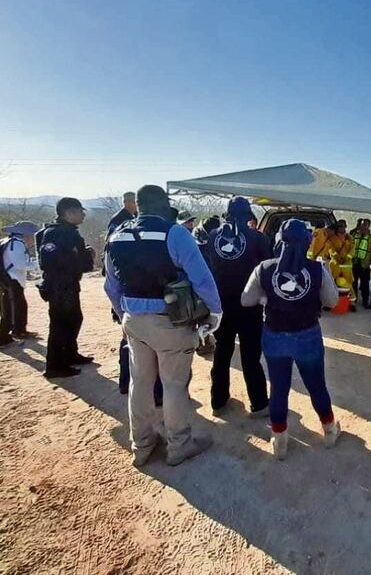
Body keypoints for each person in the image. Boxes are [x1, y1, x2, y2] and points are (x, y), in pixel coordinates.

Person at [105, 185, 223, 467]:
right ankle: (179, 445)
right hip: (171, 322)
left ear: (139, 205)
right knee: (173, 385)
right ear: (163, 205)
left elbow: (110, 284)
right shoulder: (175, 233)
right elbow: (202, 279)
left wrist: (123, 314)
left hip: (134, 321)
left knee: (141, 383)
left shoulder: (117, 234)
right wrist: (215, 313)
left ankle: (142, 445)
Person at [241, 219, 341, 459]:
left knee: (279, 389)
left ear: (280, 240)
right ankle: (329, 431)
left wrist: (266, 298)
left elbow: (246, 300)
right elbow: (333, 301)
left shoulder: (264, 268)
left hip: (274, 336)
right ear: (308, 242)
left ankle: (280, 441)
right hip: (308, 336)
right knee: (316, 386)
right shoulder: (317, 269)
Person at [204, 197, 272, 416]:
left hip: (221, 304)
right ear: (248, 214)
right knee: (250, 355)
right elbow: (268, 270)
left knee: (222, 353)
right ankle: (259, 403)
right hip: (249, 305)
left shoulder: (213, 237)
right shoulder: (258, 238)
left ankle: (218, 400)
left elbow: (207, 269)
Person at [36, 198, 95, 378]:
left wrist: (82, 255)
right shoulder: (56, 233)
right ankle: (55, 365)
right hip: (60, 285)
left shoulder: (68, 232)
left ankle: (70, 354)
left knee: (74, 319)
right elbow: (48, 261)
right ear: (69, 213)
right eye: (80, 211)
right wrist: (80, 256)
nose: (83, 214)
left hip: (68, 283)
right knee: (60, 324)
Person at [0, 221, 40, 349]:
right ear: (25, 234)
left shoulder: (10, 242)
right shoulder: (17, 244)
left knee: (15, 306)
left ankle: (18, 331)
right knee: (13, 308)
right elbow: (20, 265)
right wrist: (38, 264)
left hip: (8, 278)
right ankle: (4, 337)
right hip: (13, 279)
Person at [351, 218, 371, 309]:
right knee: (353, 283)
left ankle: (365, 301)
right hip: (354, 263)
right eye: (362, 224)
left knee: (364, 285)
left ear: (368, 226)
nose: (363, 226)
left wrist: (370, 261)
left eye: (365, 225)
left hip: (364, 266)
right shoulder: (355, 235)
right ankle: (353, 300)